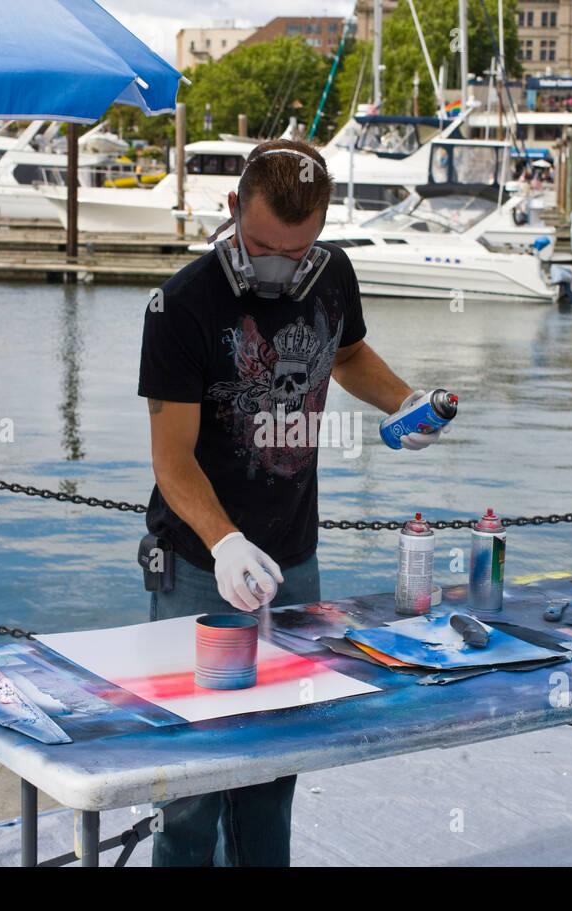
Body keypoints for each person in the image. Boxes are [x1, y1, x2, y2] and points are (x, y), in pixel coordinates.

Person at [136, 139, 447, 867]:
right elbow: (170, 457)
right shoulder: (181, 305)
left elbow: (347, 355)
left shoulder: (333, 275)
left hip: (294, 558)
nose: (279, 264)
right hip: (194, 564)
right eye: (263, 246)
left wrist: (405, 403)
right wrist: (223, 542)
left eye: (296, 249)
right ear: (233, 211)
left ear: (321, 230)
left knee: (276, 765)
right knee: (192, 778)